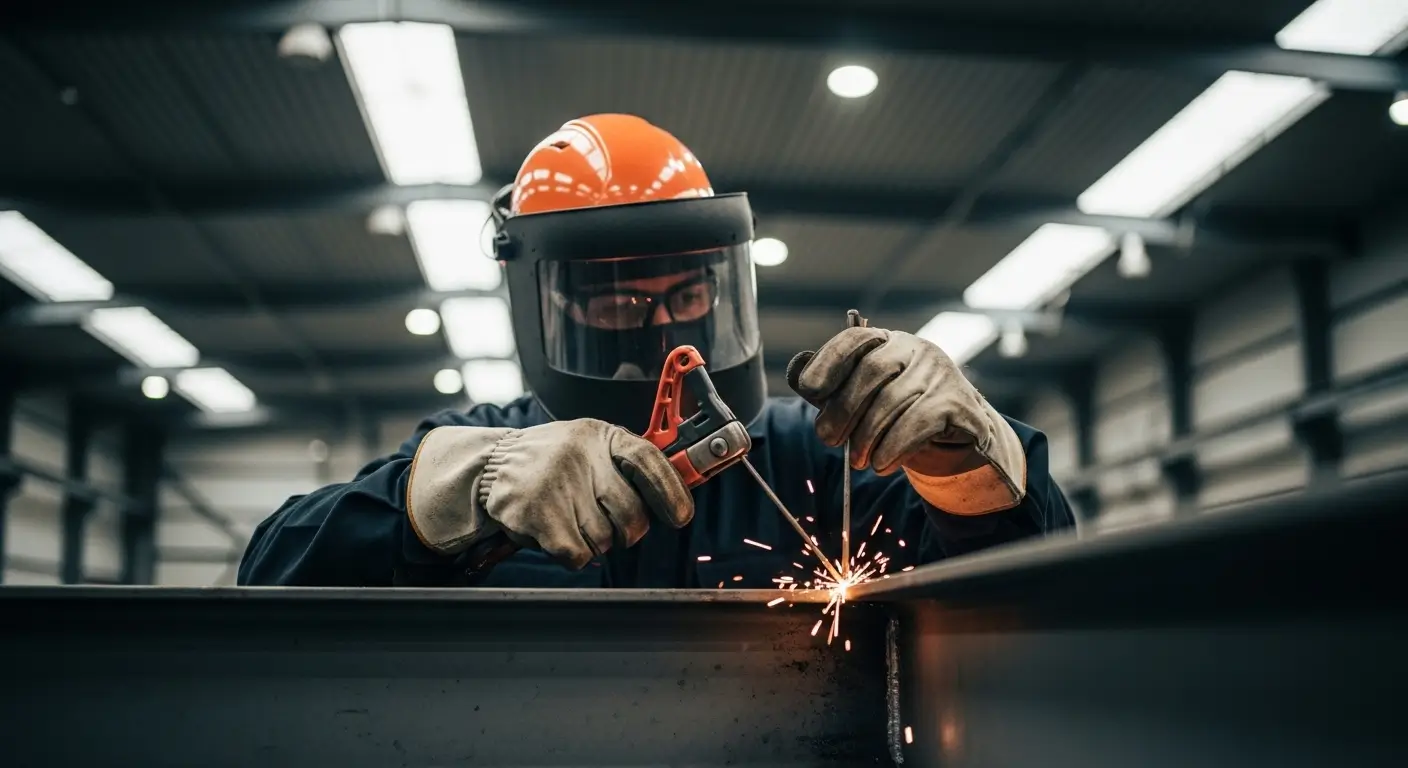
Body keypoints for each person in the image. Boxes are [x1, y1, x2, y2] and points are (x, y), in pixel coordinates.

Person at [238, 114, 1076, 588]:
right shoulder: (493, 454)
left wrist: (969, 455)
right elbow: (274, 573)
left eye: (686, 293)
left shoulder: (810, 456)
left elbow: (1028, 585)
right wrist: (465, 488)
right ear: (550, 302)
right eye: (615, 298)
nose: (659, 328)